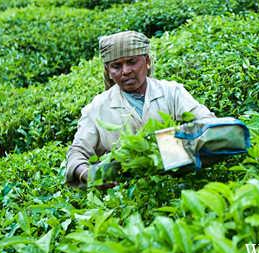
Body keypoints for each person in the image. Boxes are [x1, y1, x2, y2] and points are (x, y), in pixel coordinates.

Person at [65, 31, 215, 186]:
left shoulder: (172, 92)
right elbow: (77, 153)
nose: (126, 71)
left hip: (179, 183)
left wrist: (174, 145)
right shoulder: (96, 108)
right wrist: (87, 173)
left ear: (147, 61)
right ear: (108, 72)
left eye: (132, 62)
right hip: (127, 191)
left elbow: (208, 124)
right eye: (116, 66)